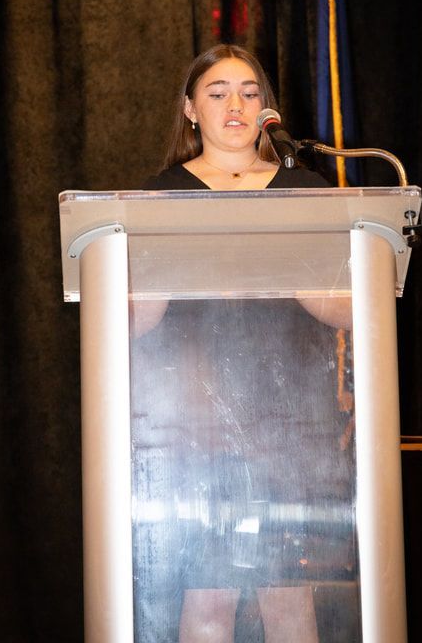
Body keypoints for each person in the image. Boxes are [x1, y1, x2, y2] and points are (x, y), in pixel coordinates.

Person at [131, 45, 355, 643]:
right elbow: (131, 323)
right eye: (218, 91)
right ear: (190, 109)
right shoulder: (160, 196)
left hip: (288, 426)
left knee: (287, 598)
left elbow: (348, 310)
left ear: (266, 111)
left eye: (250, 92)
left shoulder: (304, 188)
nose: (236, 103)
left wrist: (291, 259)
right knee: (207, 599)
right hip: (194, 430)